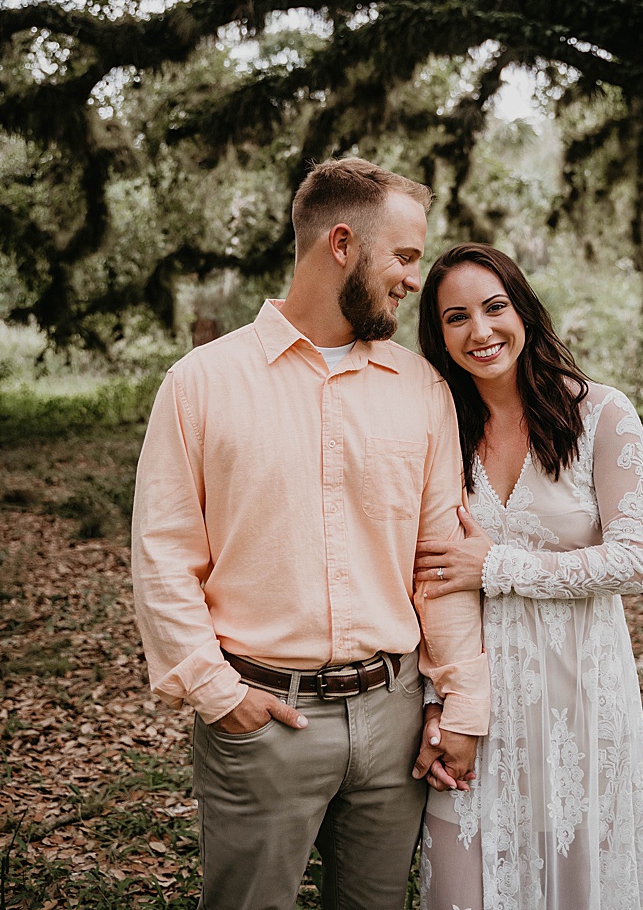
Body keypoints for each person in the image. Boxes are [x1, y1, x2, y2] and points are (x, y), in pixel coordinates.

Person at [131, 158, 490, 909]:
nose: (411, 280)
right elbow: (163, 557)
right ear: (341, 243)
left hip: (394, 721)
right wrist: (217, 692)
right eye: (404, 256)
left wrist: (460, 703)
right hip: (263, 719)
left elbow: (441, 568)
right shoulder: (200, 383)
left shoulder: (421, 388)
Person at [410, 242, 643, 910]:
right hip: (477, 707)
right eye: (456, 317)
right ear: (438, 335)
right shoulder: (440, 434)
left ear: (523, 309)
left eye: (495, 307)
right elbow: (428, 579)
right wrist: (437, 701)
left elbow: (636, 559)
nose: (481, 331)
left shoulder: (602, 415)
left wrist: (497, 565)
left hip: (578, 700)